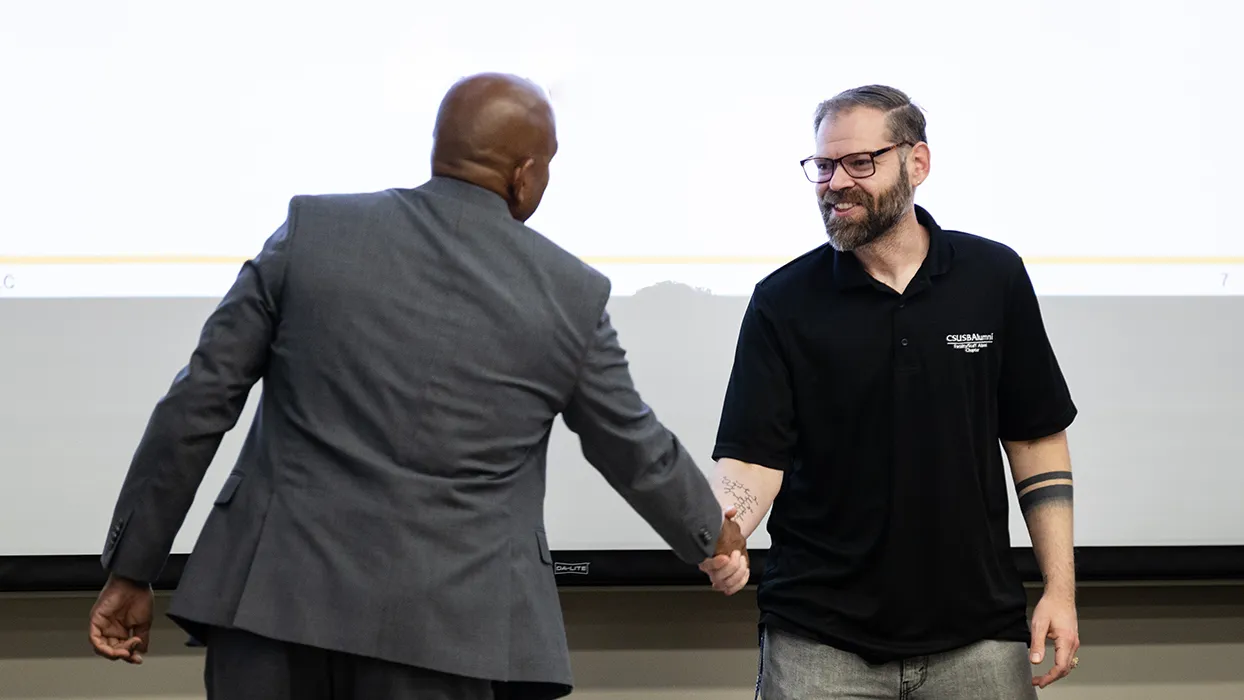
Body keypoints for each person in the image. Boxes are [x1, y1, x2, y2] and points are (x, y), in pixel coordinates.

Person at [87, 72, 746, 700]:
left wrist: (133, 567)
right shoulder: (568, 293)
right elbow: (631, 446)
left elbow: (197, 403)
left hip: (269, 605)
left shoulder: (312, 231)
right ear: (525, 174)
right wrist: (711, 537)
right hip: (446, 630)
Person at [698, 85, 1081, 698]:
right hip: (817, 640)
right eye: (823, 166)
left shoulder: (993, 278)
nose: (835, 183)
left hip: (979, 635)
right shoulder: (783, 301)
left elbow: (1036, 441)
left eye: (859, 163)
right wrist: (725, 530)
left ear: (917, 164)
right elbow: (752, 458)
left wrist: (1059, 591)